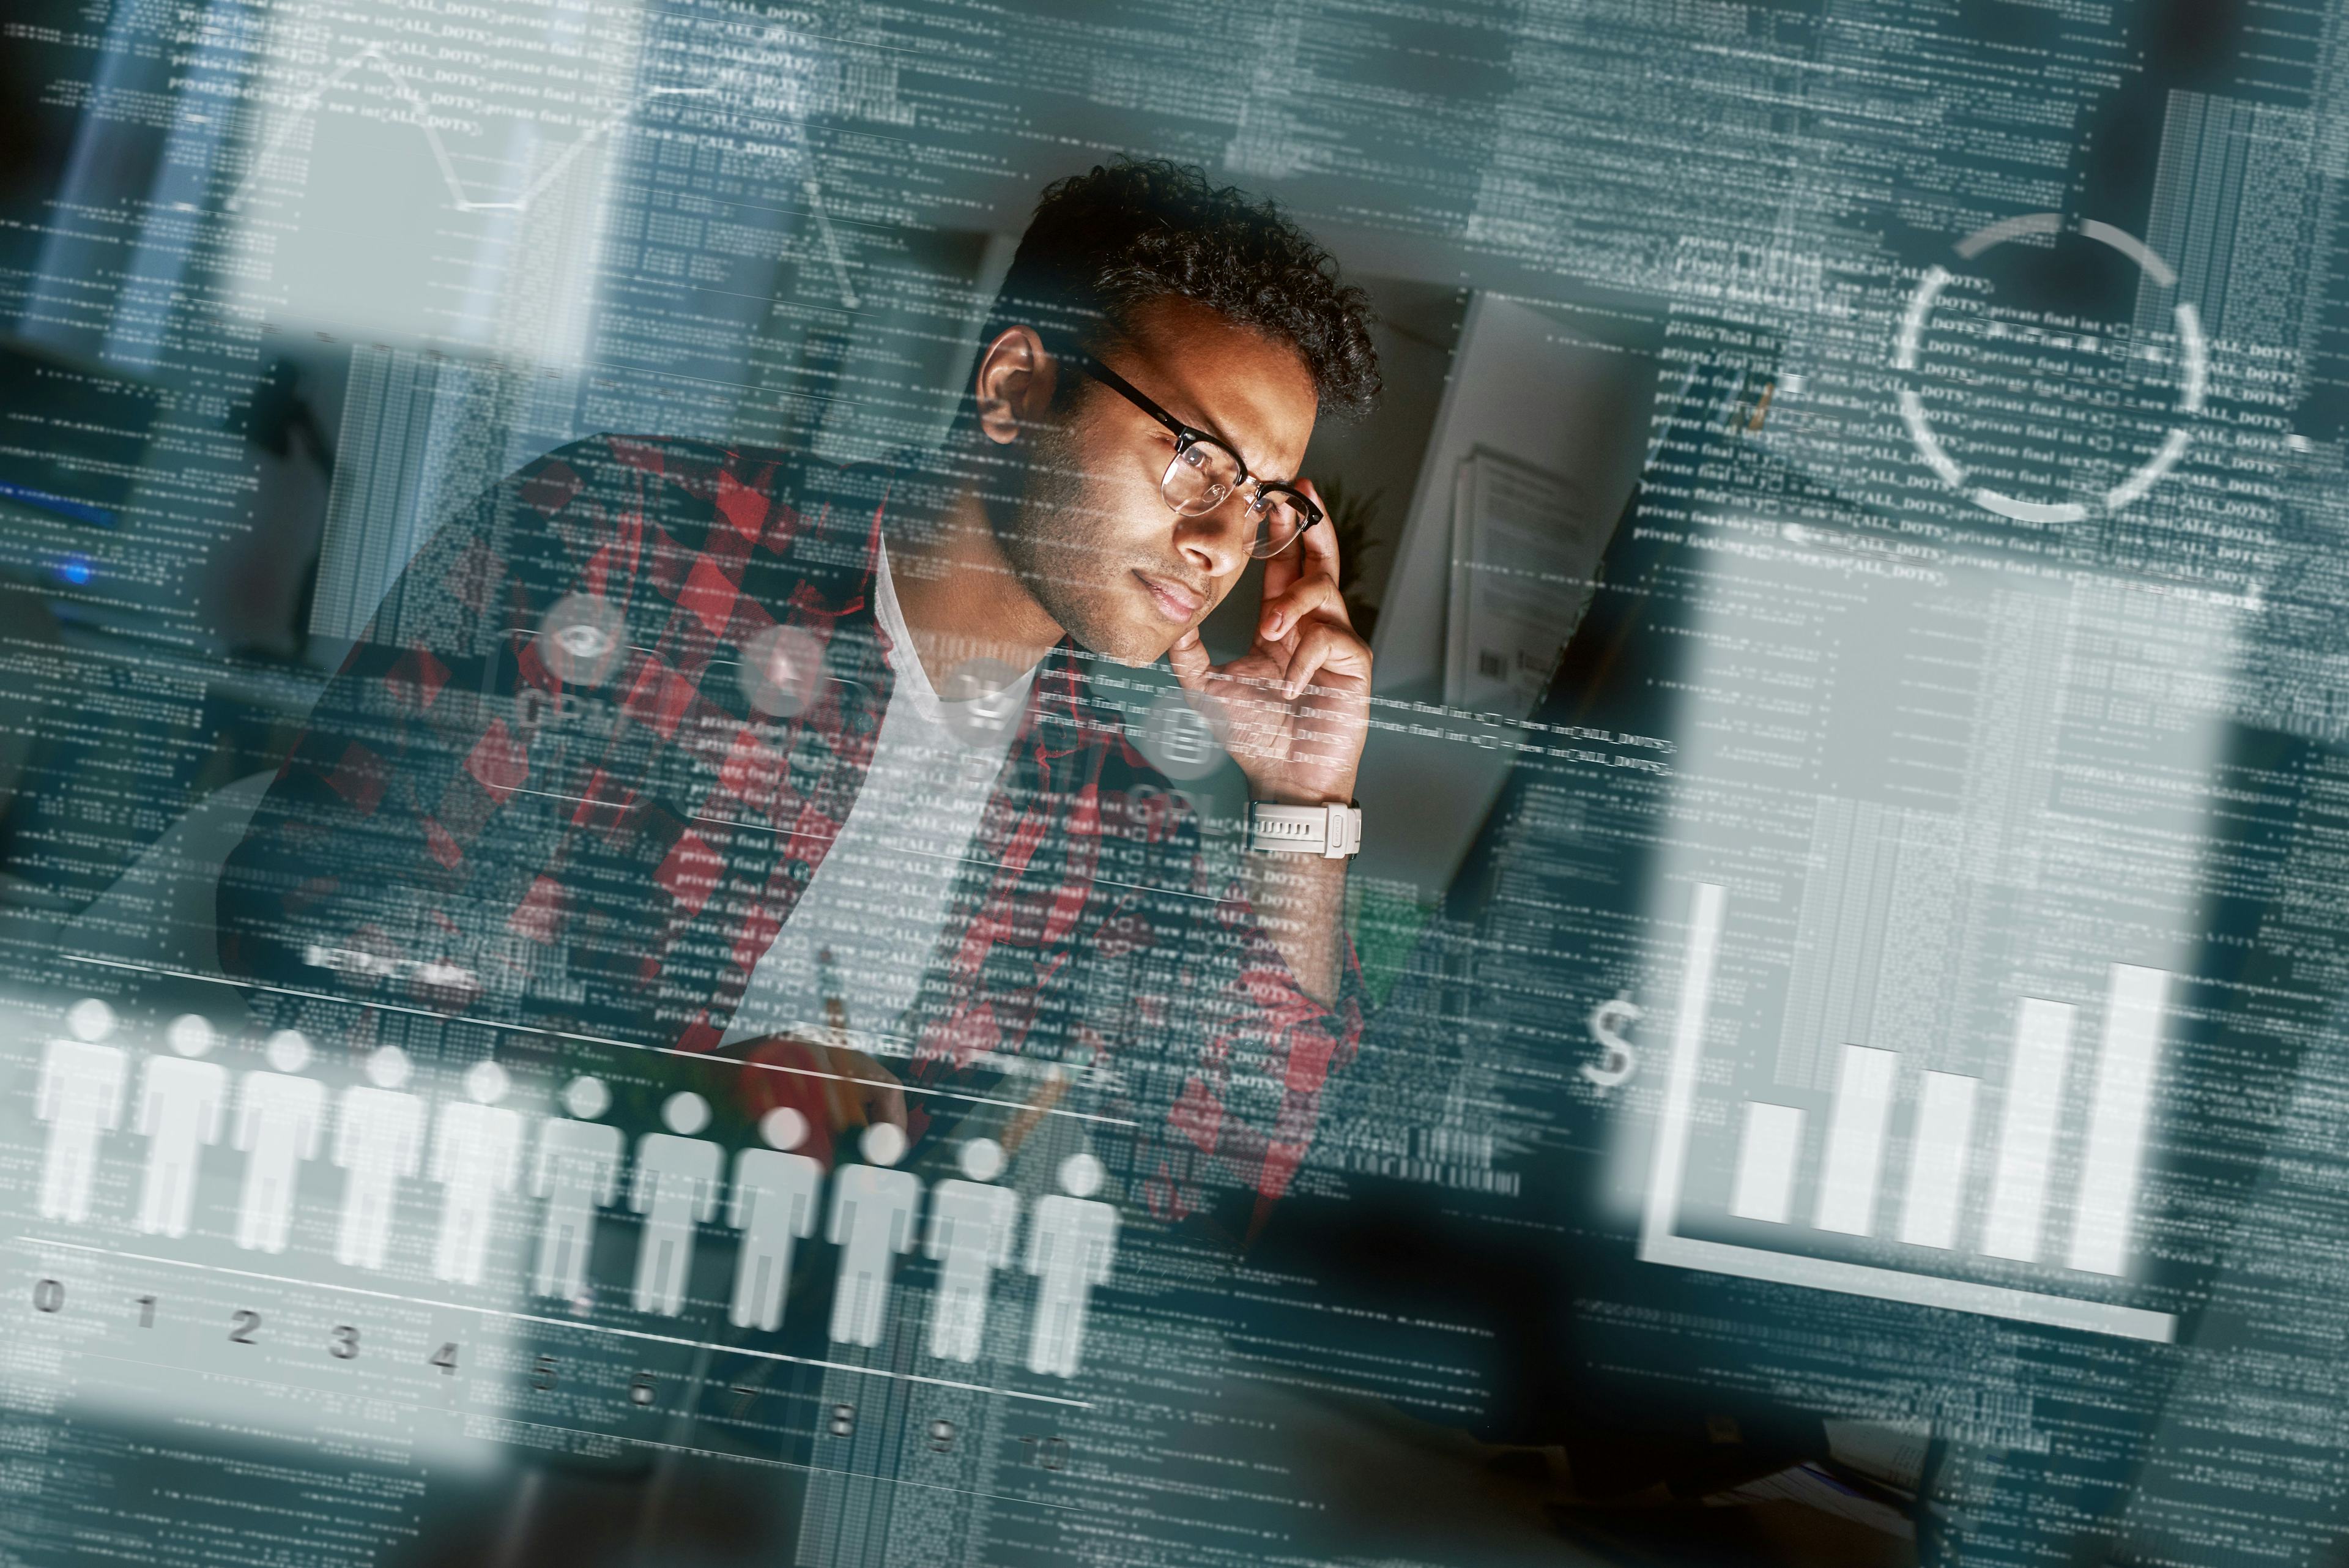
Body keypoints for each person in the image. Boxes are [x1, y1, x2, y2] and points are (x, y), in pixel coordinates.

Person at [217, 157, 1381, 1230]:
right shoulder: (619, 538)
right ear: (1018, 387)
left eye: (1269, 504)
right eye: (1197, 462)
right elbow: (301, 930)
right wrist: (658, 1098)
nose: (1223, 545)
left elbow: (1213, 1173)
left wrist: (1304, 808)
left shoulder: (1108, 809)